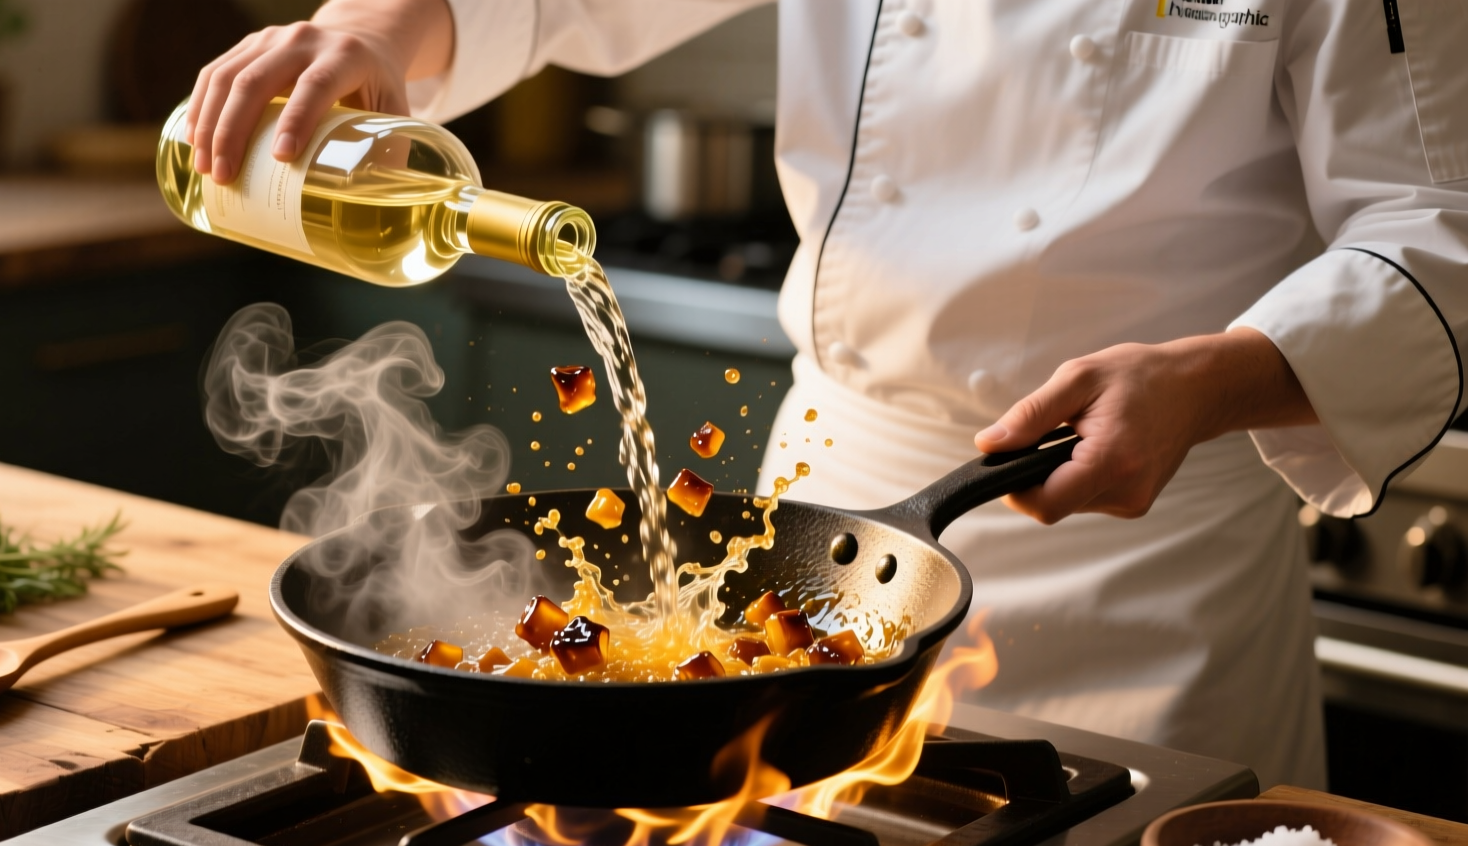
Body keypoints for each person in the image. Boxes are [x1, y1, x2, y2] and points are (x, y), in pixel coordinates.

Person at [187, 0, 1468, 788]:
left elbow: (1437, 227)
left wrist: (1204, 380)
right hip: (833, 530)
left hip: (1146, 567)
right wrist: (367, 33)